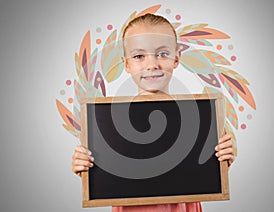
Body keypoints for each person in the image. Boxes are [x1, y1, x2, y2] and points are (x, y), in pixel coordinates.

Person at [72, 13, 235, 212]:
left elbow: (206, 173)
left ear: (176, 58)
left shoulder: (201, 119)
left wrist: (222, 159)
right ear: (126, 64)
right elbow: (101, 173)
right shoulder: (108, 124)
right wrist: (87, 168)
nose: (152, 65)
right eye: (139, 56)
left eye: (162, 54)